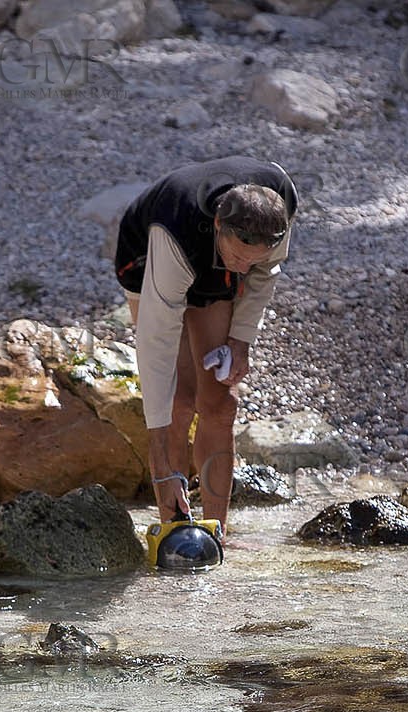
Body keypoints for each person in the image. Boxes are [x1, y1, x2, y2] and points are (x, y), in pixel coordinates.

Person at [112, 155, 297, 546]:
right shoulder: (176, 232)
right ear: (219, 223)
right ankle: (175, 531)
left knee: (219, 403)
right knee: (178, 401)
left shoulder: (279, 201)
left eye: (253, 259)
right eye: (238, 257)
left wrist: (241, 340)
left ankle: (217, 535)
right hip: (149, 255)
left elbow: (263, 276)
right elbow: (155, 349)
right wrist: (160, 459)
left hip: (212, 258)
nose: (244, 269)